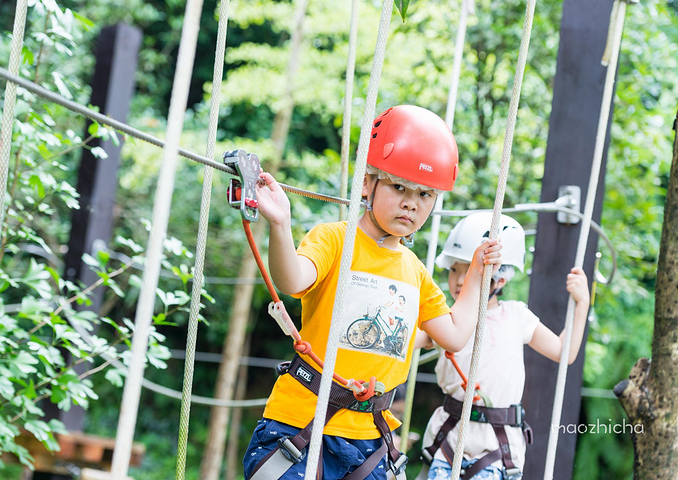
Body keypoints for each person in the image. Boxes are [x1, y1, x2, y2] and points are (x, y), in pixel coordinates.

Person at [242, 105, 503, 480]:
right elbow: (293, 280)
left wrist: (476, 272)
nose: (411, 202)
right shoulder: (335, 239)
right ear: (367, 183)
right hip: (300, 423)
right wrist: (280, 225)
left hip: (369, 441)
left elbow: (455, 334)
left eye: (425, 194)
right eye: (399, 187)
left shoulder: (414, 271)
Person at [415, 212, 590, 480]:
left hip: (497, 446)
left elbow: (562, 351)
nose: (460, 280)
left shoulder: (516, 316)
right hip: (449, 439)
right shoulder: (445, 319)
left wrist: (582, 304)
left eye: (470, 269)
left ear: (501, 279)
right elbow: (404, 341)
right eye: (454, 270)